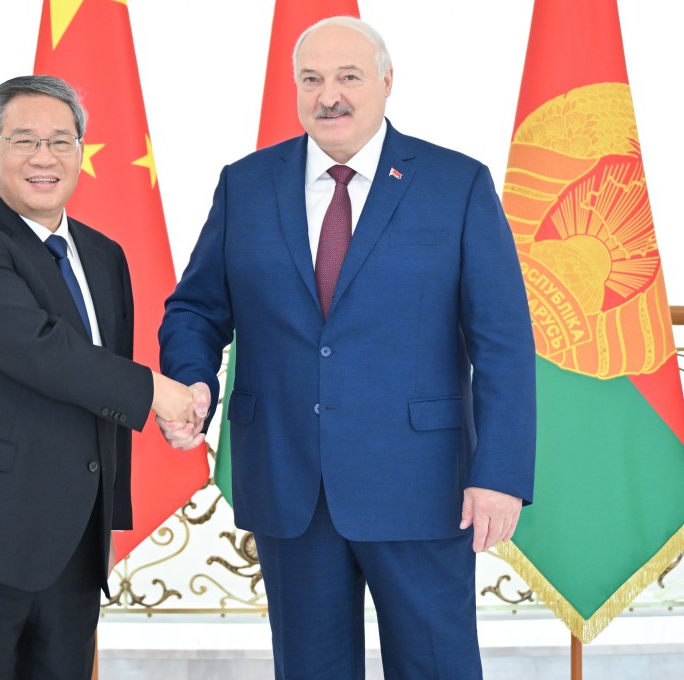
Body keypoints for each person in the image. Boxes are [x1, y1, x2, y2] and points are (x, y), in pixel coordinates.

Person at [158, 16, 536, 679]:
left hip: (422, 486)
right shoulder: (246, 185)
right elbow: (196, 307)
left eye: (348, 77)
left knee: (436, 667)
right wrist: (194, 383)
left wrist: (499, 472)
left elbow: (502, 341)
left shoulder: (457, 185)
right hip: (288, 480)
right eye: (312, 79)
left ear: (387, 83)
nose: (328, 95)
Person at [0, 75, 198, 680]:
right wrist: (158, 394)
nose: (45, 158)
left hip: (73, 544)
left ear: (81, 154)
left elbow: (99, 395)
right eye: (25, 141)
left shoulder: (104, 254)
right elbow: (43, 351)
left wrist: (108, 516)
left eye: (62, 142)